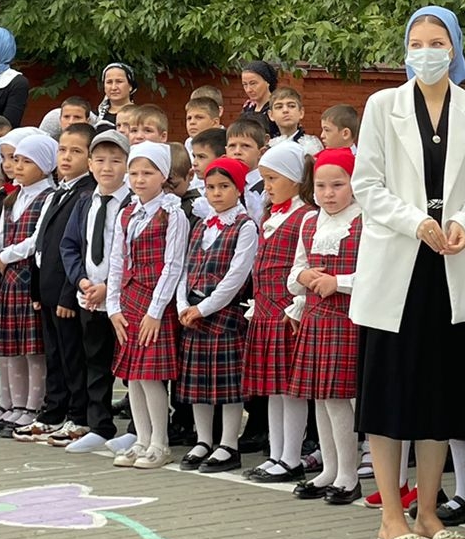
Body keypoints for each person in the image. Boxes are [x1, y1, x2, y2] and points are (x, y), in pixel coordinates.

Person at [351, 6, 465, 539]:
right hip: (398, 263)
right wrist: (417, 222)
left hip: (450, 265)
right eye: (417, 42)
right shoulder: (382, 105)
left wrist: (464, 222)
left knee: (441, 394)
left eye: (438, 42)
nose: (427, 51)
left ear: (454, 49)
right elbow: (367, 185)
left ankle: (429, 510)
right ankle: (391, 516)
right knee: (390, 393)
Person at [287, 147, 364, 504]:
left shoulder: (364, 220)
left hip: (347, 317)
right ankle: (329, 469)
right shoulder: (309, 221)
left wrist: (339, 282)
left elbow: (376, 274)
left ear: (354, 183)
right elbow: (294, 273)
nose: (328, 193)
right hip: (316, 318)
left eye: (338, 184)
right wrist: (303, 276)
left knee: (337, 398)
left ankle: (349, 474)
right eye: (321, 186)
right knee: (320, 396)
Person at [108, 141, 188, 470]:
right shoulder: (127, 212)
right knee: (134, 377)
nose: (139, 179)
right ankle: (141, 439)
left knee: (151, 377)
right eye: (134, 173)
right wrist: (113, 307)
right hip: (130, 299)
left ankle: (160, 442)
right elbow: (117, 260)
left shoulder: (173, 214)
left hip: (155, 301)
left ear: (163, 175)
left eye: (148, 173)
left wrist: (155, 312)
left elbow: (173, 265)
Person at [176, 157, 257, 475]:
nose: (216, 193)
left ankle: (228, 443)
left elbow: (236, 276)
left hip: (223, 313)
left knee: (228, 385)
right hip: (193, 310)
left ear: (238, 189)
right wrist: (183, 303)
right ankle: (203, 439)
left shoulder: (245, 226)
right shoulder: (201, 225)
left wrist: (204, 307)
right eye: (210, 187)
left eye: (224, 186)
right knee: (198, 383)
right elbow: (185, 267)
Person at [241, 141, 315, 483]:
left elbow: (305, 264)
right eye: (265, 179)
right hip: (266, 311)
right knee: (273, 388)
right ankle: (277, 453)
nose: (267, 186)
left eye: (273, 179)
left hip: (287, 312)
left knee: (290, 389)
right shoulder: (272, 215)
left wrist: (298, 305)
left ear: (295, 179)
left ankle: (291, 457)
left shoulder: (305, 216)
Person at [58, 128, 132, 454]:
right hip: (90, 297)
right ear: (89, 164)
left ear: (127, 164)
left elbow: (133, 253)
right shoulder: (85, 202)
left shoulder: (132, 203)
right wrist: (81, 280)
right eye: (100, 160)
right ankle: (99, 425)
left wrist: (110, 287)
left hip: (123, 299)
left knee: (132, 366)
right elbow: (70, 245)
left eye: (115, 160)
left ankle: (139, 429)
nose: (107, 167)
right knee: (95, 363)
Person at [0, 130, 58, 436]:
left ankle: (32, 405)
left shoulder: (48, 196)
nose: (17, 166)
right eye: (16, 159)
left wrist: (7, 254)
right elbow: (2, 236)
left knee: (32, 349)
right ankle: (13, 403)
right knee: (11, 347)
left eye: (26, 161)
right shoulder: (13, 198)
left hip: (29, 277)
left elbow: (38, 239)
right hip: (10, 280)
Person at [21, 123, 96, 444]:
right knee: (54, 354)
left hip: (68, 292)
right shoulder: (58, 191)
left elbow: (76, 249)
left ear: (90, 158)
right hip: (48, 289)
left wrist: (68, 294)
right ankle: (53, 411)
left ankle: (78, 416)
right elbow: (42, 243)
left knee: (72, 356)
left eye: (76, 151)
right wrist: (36, 288)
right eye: (63, 150)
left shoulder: (86, 194)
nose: (66, 157)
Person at [267, 86, 324, 156]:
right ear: (271, 115)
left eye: (291, 106)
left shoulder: (312, 145)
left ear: (301, 112)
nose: (285, 110)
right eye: (279, 107)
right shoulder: (269, 147)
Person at [239, 60, 281, 137]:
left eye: (253, 83)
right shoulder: (248, 106)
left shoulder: (278, 105)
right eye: (245, 84)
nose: (248, 89)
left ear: (267, 82)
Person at [96, 62, 136, 128]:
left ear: (130, 86)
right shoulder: (94, 117)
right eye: (109, 82)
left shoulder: (141, 115)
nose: (114, 87)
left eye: (119, 81)